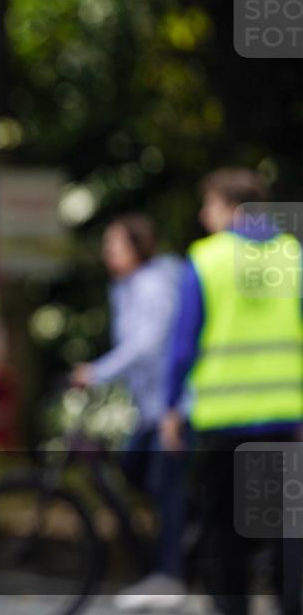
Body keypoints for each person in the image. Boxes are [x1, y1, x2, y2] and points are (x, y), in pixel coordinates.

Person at [159, 169, 302, 615]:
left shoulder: (207, 259)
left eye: (210, 206)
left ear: (232, 208)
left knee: (226, 532)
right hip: (285, 417)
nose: (204, 216)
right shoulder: (291, 253)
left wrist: (170, 407)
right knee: (284, 530)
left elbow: (183, 345)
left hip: (225, 419)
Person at [71, 214, 190, 609]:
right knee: (135, 471)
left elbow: (146, 345)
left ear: (137, 247)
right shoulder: (127, 287)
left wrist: (97, 372)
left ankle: (172, 573)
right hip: (152, 408)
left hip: (174, 406)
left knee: (164, 488)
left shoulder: (153, 285)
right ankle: (183, 546)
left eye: (114, 244)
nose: (107, 252)